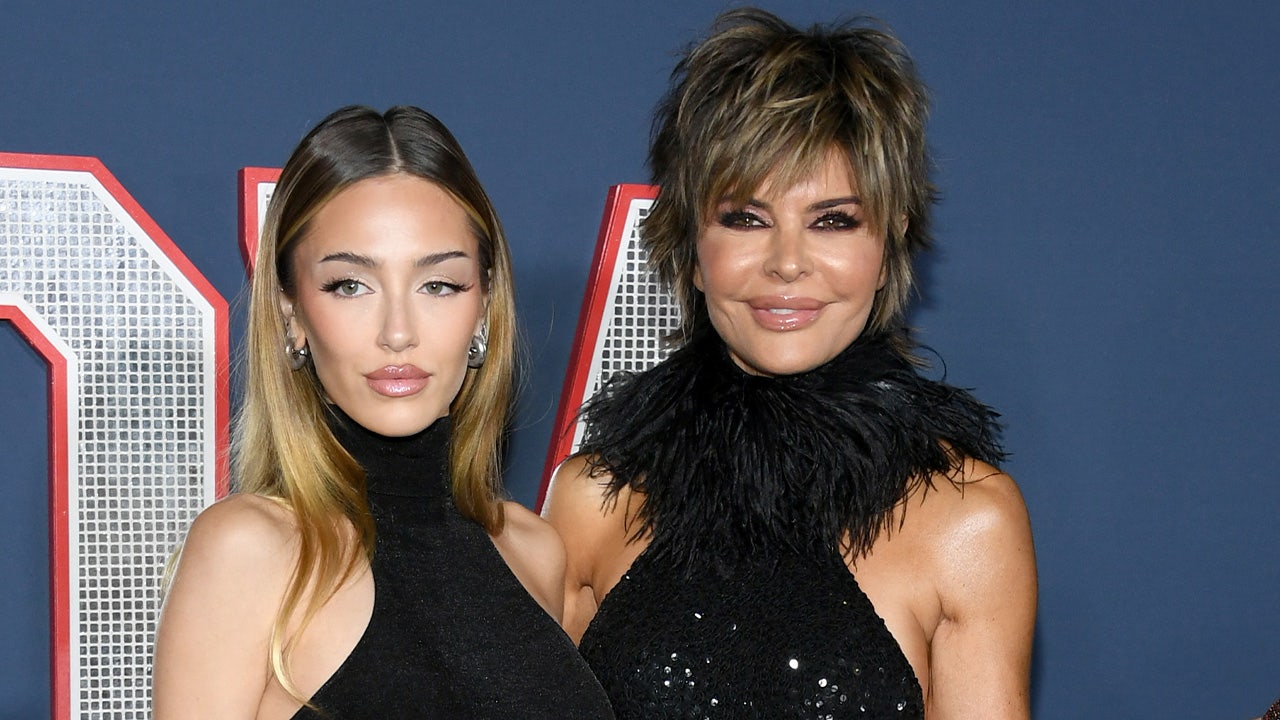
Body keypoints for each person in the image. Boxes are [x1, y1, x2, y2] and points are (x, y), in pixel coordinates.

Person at [543, 8, 1036, 719]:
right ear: (690, 243)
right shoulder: (593, 500)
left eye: (834, 220)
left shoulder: (967, 520)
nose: (787, 263)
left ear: (890, 241)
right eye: (745, 218)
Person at [153, 105, 614, 719]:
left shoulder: (533, 551)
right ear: (292, 314)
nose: (398, 332)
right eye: (350, 285)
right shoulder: (250, 550)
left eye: (439, 285)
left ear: (483, 307)